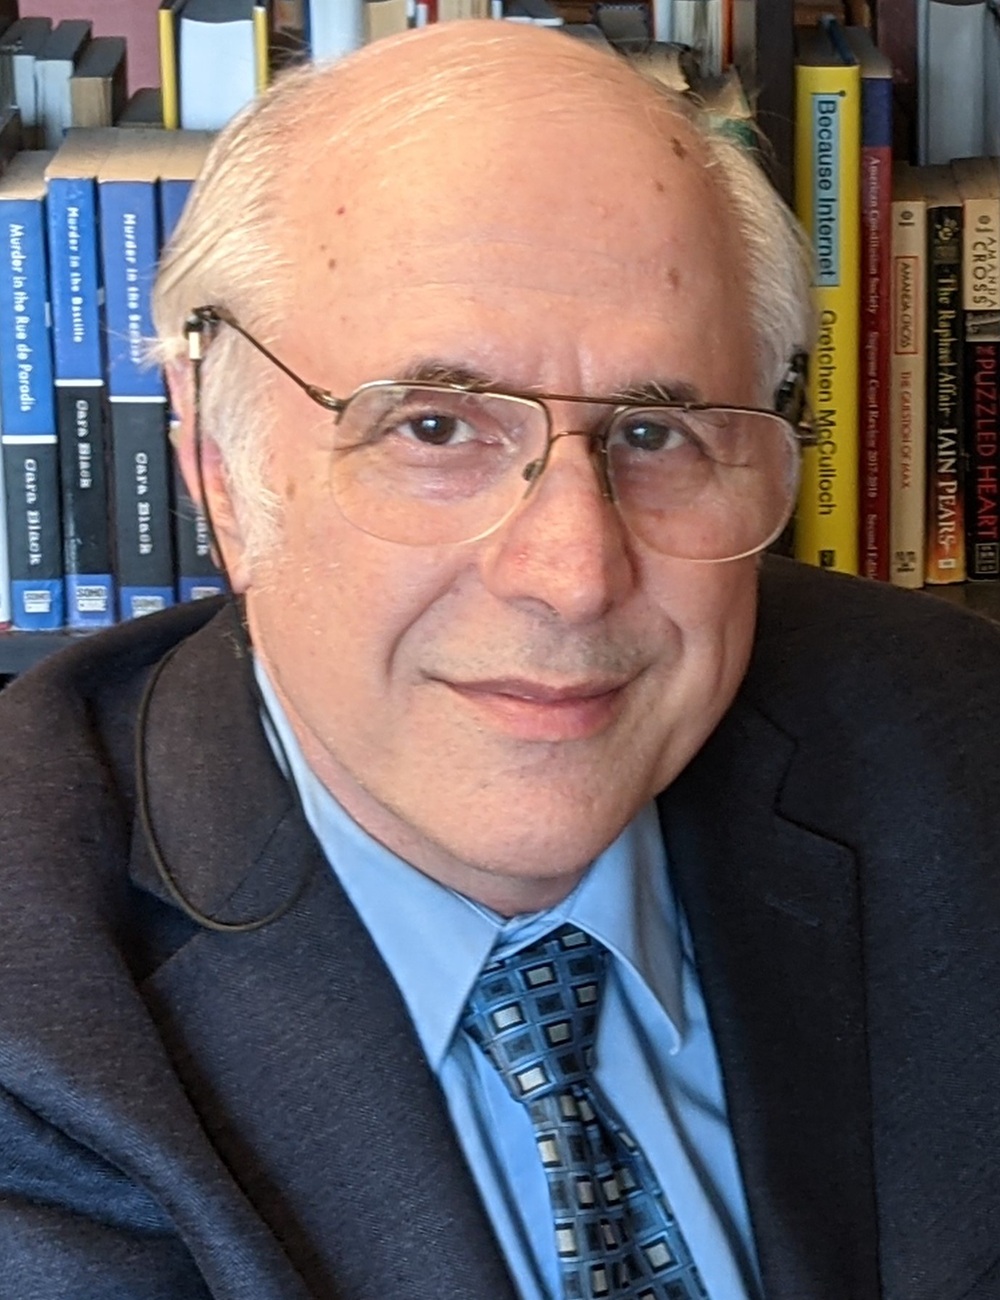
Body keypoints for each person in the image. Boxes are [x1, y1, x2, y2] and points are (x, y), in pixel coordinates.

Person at [1, 19, 999, 1300]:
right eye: (434, 426)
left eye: (654, 429)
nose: (572, 573)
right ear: (216, 469)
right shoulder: (40, 1013)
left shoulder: (960, 753)